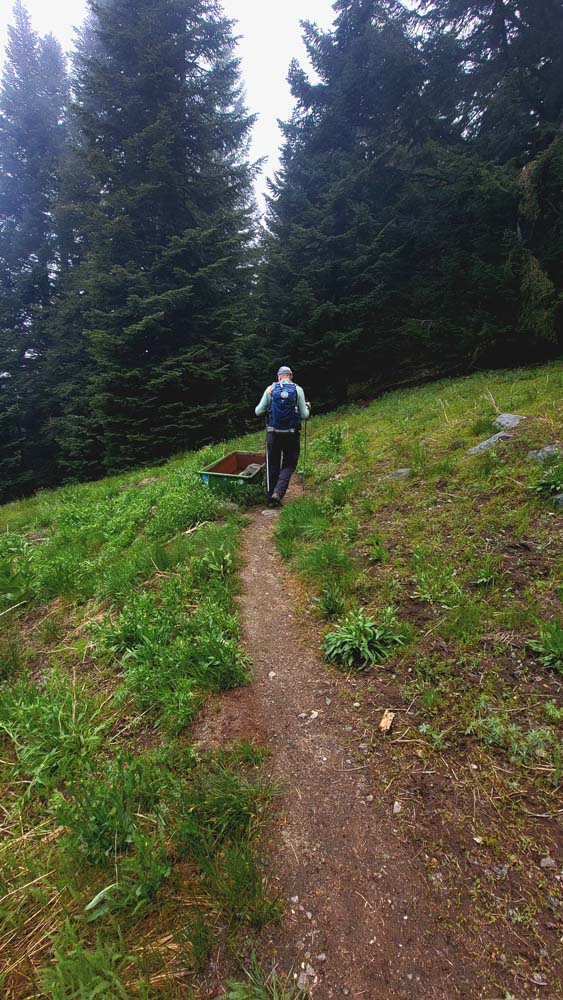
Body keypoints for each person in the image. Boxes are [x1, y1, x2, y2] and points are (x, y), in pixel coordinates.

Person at [255, 365, 310, 507]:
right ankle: (278, 493)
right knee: (289, 463)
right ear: (290, 376)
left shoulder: (270, 389)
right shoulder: (298, 390)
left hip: (273, 433)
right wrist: (308, 407)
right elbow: (305, 415)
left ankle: (270, 498)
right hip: (291, 434)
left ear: (279, 376)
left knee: (272, 463)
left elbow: (258, 411)